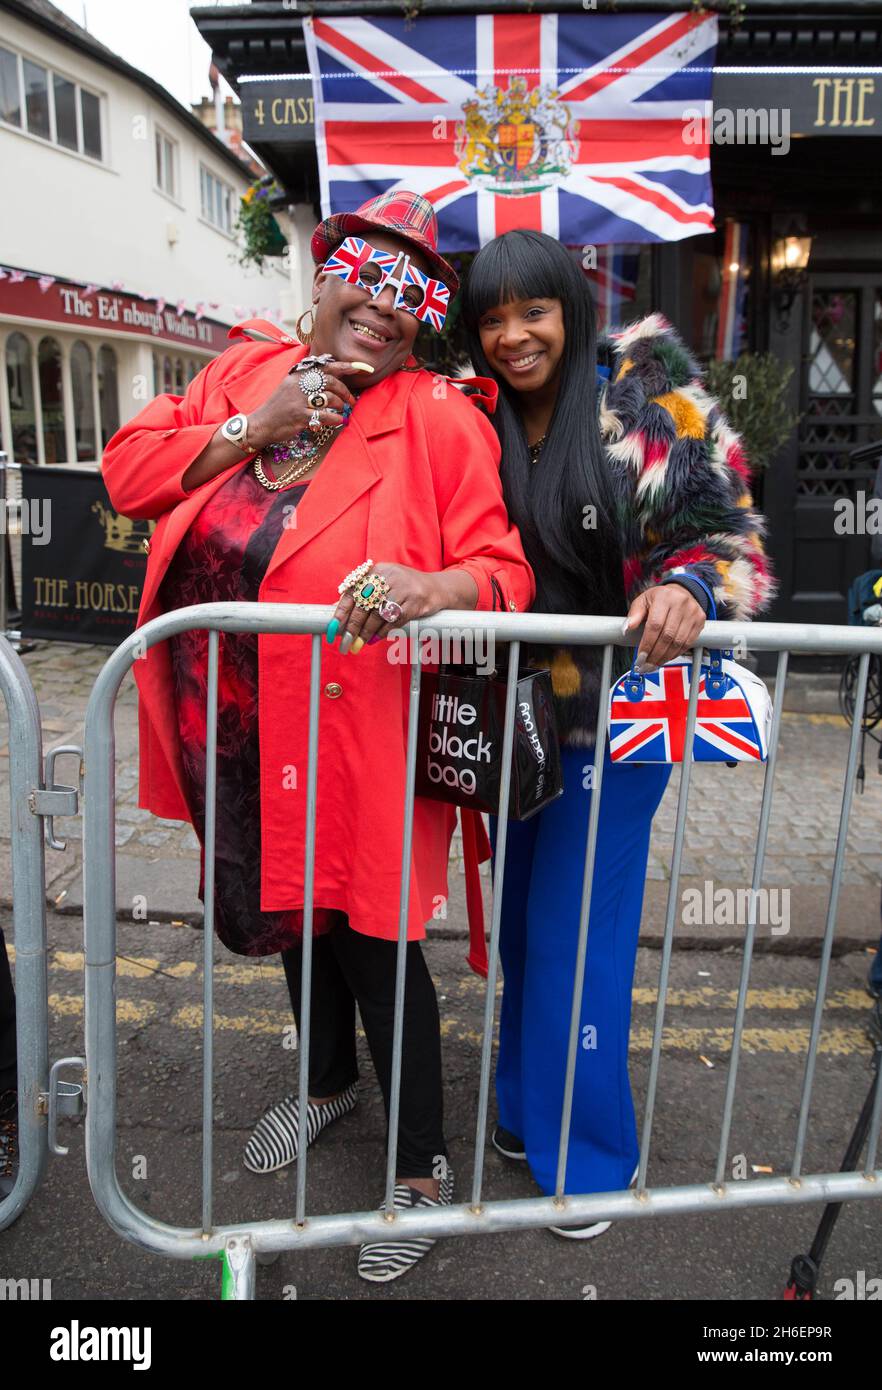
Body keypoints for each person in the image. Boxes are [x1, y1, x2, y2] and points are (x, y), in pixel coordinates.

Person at [102, 191, 534, 1283]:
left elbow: (505, 573)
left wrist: (431, 583)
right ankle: (329, 1083)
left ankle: (422, 1168)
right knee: (290, 920)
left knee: (375, 941)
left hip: (360, 737)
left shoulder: (438, 416)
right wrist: (261, 423)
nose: (383, 308)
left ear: (428, 313)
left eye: (412, 293)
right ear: (323, 275)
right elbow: (128, 473)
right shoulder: (243, 371)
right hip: (238, 731)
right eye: (365, 277)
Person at [462, 229, 774, 1235]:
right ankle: (523, 1113)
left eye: (533, 311)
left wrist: (687, 584)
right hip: (511, 718)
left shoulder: (650, 395)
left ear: (573, 306)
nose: (513, 336)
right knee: (518, 927)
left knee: (572, 941)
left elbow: (730, 540)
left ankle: (588, 1162)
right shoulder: (472, 413)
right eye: (492, 318)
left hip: (615, 724)